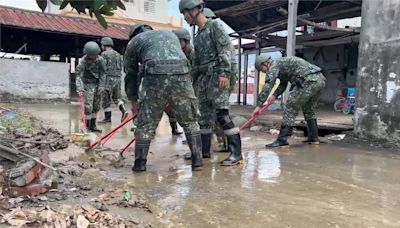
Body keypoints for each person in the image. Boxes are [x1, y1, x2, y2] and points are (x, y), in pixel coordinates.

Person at [124, 24, 203, 172]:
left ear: (134, 34)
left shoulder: (134, 42)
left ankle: (140, 164)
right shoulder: (170, 35)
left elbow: (130, 74)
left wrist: (133, 99)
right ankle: (197, 161)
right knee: (190, 121)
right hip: (182, 73)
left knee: (145, 125)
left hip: (154, 75)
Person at [179, 0, 243, 166]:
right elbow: (197, 65)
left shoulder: (215, 26)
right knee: (204, 119)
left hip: (217, 78)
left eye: (185, 13)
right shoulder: (198, 36)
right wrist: (188, 84)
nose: (184, 18)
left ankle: (236, 153)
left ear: (193, 10)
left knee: (222, 115)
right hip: (204, 81)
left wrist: (224, 73)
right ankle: (204, 151)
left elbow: (225, 50)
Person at [253, 55, 326, 147]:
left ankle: (282, 140)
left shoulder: (273, 65)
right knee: (308, 109)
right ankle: (313, 138)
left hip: (308, 81)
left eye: (261, 69)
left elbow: (268, 85)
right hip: (320, 80)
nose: (263, 72)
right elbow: (283, 84)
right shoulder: (281, 64)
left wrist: (259, 105)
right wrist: (275, 95)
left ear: (265, 63)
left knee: (290, 108)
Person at [76, 41, 106, 133]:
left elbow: (103, 74)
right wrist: (80, 88)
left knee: (96, 106)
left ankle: (93, 126)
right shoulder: (83, 61)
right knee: (88, 107)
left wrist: (101, 86)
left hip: (97, 84)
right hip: (87, 84)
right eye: (91, 55)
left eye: (94, 55)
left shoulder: (100, 60)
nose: (93, 57)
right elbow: (79, 75)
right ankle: (86, 126)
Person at [98, 37, 128, 123]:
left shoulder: (104, 54)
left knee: (106, 99)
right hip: (118, 78)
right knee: (117, 98)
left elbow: (102, 68)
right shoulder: (118, 55)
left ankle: (107, 118)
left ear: (103, 45)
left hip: (108, 79)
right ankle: (123, 111)